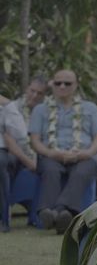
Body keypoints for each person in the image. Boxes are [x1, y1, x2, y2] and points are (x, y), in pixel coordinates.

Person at [29, 69, 97, 233]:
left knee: (81, 171)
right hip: (51, 155)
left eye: (67, 83)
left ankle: (55, 213)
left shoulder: (90, 108)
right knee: (50, 169)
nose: (62, 86)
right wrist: (51, 153)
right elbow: (35, 140)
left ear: (76, 85)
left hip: (83, 155)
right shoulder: (40, 110)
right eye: (58, 83)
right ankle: (63, 214)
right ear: (53, 85)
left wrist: (87, 153)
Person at [0, 77, 48, 232]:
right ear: (27, 89)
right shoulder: (13, 108)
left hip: (38, 156)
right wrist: (29, 162)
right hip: (17, 155)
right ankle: (4, 218)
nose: (34, 96)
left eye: (39, 93)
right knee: (5, 160)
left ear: (43, 96)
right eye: (32, 91)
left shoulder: (45, 113)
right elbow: (9, 141)